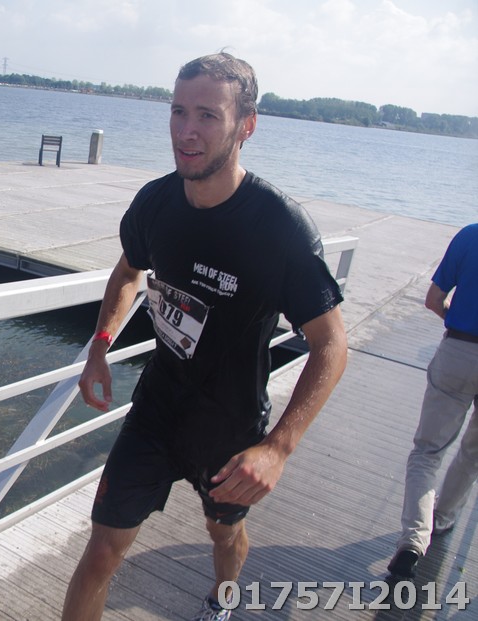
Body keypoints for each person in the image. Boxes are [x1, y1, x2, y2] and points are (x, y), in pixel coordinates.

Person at [60, 52, 348, 621]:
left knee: (223, 534)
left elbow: (332, 344)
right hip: (157, 408)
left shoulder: (279, 228)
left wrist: (277, 449)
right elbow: (128, 271)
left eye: (208, 116)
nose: (186, 131)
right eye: (178, 112)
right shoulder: (156, 202)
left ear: (246, 126)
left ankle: (222, 599)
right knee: (102, 550)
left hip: (229, 427)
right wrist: (99, 346)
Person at [387, 223, 478, 581]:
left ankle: (413, 541)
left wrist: (455, 321)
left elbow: (433, 300)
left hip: (458, 350)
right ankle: (441, 518)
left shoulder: (470, 236)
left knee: (427, 452)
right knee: (472, 453)